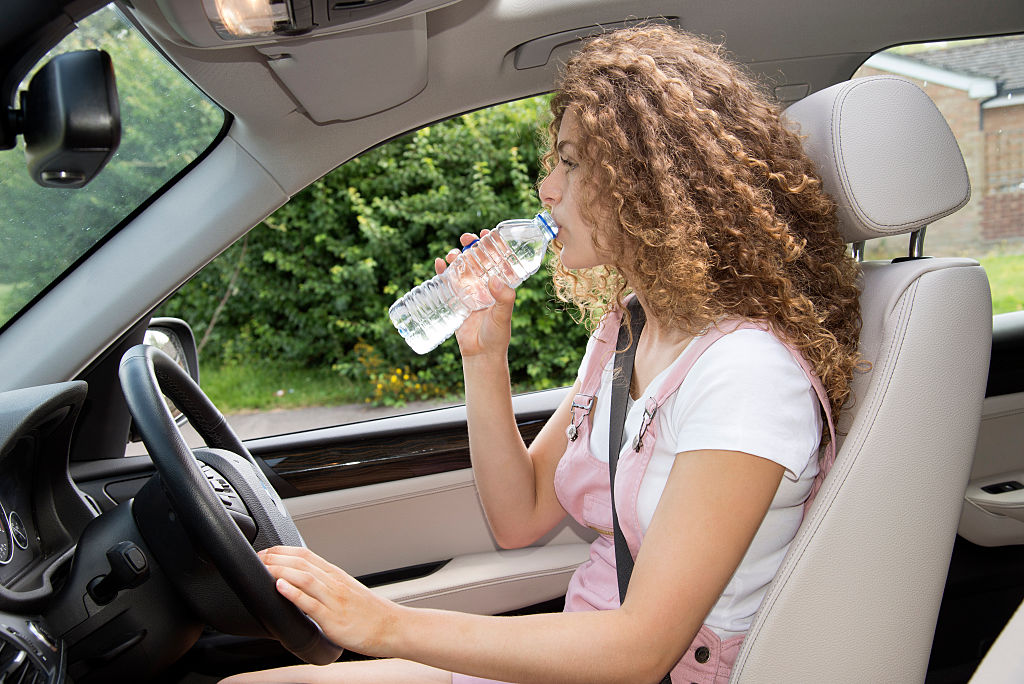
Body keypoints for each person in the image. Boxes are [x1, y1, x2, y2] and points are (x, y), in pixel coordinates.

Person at [222, 24, 861, 684]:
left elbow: (641, 653)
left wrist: (385, 625)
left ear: (656, 180)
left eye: (574, 163)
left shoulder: (748, 374)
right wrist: (484, 354)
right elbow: (519, 516)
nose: (546, 188)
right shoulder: (628, 329)